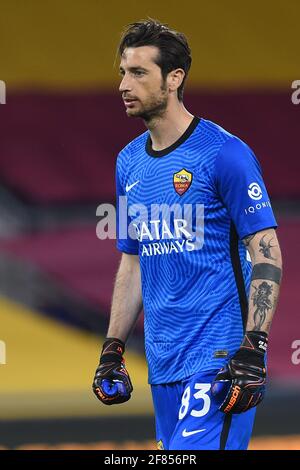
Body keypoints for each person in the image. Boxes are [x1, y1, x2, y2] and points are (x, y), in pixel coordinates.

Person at [92, 19, 282, 450]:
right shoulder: (128, 163)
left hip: (221, 359)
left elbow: (267, 251)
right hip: (163, 364)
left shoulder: (224, 153)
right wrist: (112, 348)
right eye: (123, 71)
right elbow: (134, 260)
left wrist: (253, 346)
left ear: (174, 78)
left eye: (139, 73)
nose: (124, 84)